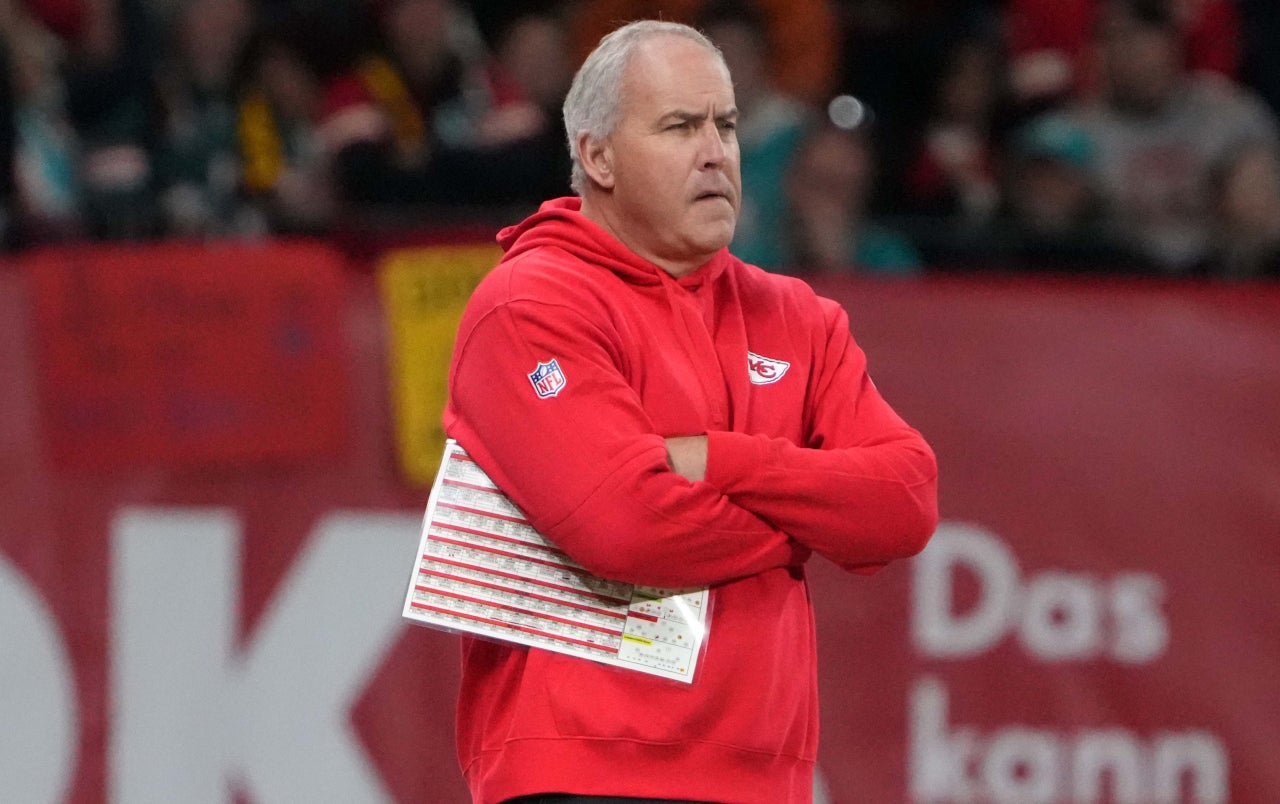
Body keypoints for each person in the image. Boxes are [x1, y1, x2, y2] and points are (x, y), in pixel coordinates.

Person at [442, 20, 938, 804]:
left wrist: (718, 460)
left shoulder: (800, 317)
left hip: (761, 777)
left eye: (727, 125)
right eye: (679, 126)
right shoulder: (530, 304)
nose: (716, 152)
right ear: (597, 155)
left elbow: (904, 501)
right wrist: (808, 520)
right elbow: (623, 525)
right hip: (579, 770)